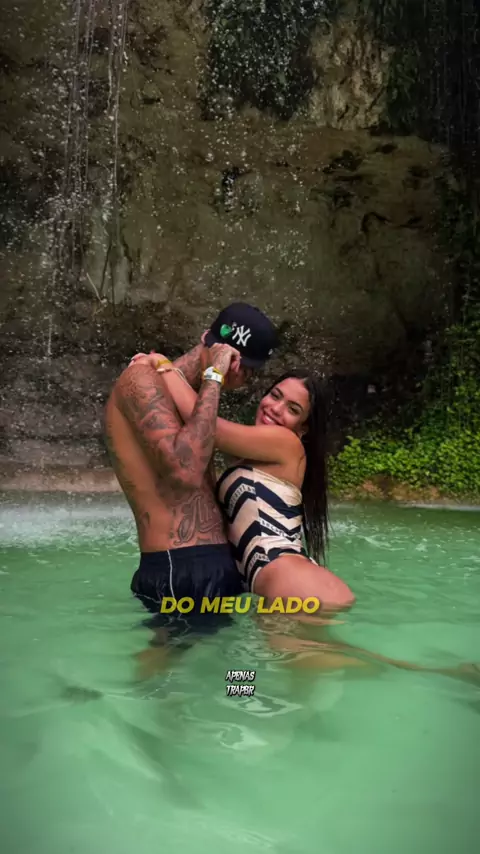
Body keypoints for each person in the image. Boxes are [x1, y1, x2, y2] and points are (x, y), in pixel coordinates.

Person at [104, 302, 279, 647]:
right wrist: (214, 375)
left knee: (232, 670)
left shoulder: (193, 400)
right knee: (165, 669)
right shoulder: (140, 380)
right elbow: (184, 472)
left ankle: (241, 692)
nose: (242, 376)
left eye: (245, 369)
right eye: (241, 366)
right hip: (177, 566)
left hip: (212, 567)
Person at [127, 355, 355, 610]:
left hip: (292, 583)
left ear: (303, 429)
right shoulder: (255, 457)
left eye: (293, 409)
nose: (275, 408)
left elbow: (209, 427)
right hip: (288, 584)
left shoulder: (286, 443)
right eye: (275, 396)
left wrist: (164, 366)